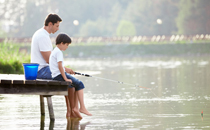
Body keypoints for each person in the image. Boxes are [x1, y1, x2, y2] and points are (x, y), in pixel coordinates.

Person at [30, 13, 76, 117]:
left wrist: (64, 70)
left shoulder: (42, 34)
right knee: (68, 79)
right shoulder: (42, 36)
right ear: (50, 24)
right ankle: (71, 111)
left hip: (43, 69)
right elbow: (48, 60)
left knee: (68, 79)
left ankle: (70, 110)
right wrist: (65, 69)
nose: (58, 29)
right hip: (41, 71)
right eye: (57, 26)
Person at [49, 33, 92, 118]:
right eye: (67, 45)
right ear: (62, 43)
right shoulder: (59, 52)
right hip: (60, 76)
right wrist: (65, 78)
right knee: (80, 84)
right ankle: (82, 107)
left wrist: (67, 73)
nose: (67, 47)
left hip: (56, 76)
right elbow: (60, 66)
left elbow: (59, 67)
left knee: (74, 85)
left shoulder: (54, 51)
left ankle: (75, 108)